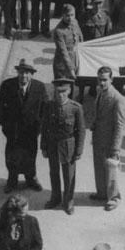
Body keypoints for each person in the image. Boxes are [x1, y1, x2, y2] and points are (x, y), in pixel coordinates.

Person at [0, 59, 47, 193]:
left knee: (30, 155)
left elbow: (44, 109)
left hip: (31, 131)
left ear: (32, 74)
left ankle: (31, 179)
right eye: (21, 72)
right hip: (14, 130)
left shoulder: (39, 87)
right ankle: (12, 181)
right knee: (12, 156)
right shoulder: (8, 85)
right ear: (18, 72)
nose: (24, 76)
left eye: (27, 73)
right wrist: (5, 125)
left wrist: (39, 128)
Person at [41, 79, 86, 215]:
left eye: (63, 92)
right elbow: (45, 127)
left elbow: (81, 130)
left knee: (69, 175)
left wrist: (78, 150)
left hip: (68, 145)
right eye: (57, 92)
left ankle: (68, 201)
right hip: (52, 144)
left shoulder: (75, 107)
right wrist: (43, 146)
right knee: (53, 172)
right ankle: (55, 198)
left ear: (69, 91)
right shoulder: (49, 106)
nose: (60, 95)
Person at [90, 66, 125, 211]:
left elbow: (120, 126)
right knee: (98, 167)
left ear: (112, 79)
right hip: (98, 136)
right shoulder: (99, 91)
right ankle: (102, 193)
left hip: (110, 141)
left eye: (105, 80)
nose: (102, 83)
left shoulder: (118, 99)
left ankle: (114, 198)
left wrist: (116, 147)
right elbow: (98, 112)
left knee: (111, 170)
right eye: (99, 79)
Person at [52, 4, 83, 80]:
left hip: (74, 59)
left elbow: (80, 37)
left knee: (71, 86)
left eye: (72, 15)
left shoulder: (75, 22)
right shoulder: (58, 31)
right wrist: (70, 69)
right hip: (62, 65)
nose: (70, 18)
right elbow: (63, 52)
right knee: (63, 88)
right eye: (67, 16)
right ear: (62, 15)